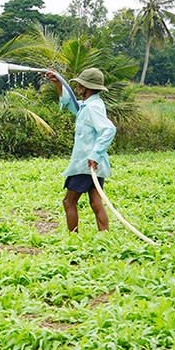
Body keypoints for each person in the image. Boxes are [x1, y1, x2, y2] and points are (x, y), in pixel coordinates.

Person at [46, 68, 116, 232]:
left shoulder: (92, 108)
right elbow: (72, 105)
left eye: (81, 84)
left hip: (86, 163)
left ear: (88, 87)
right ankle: (105, 237)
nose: (78, 87)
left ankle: (74, 240)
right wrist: (58, 83)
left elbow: (109, 129)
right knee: (95, 201)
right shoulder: (91, 104)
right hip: (93, 164)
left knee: (68, 202)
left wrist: (94, 155)